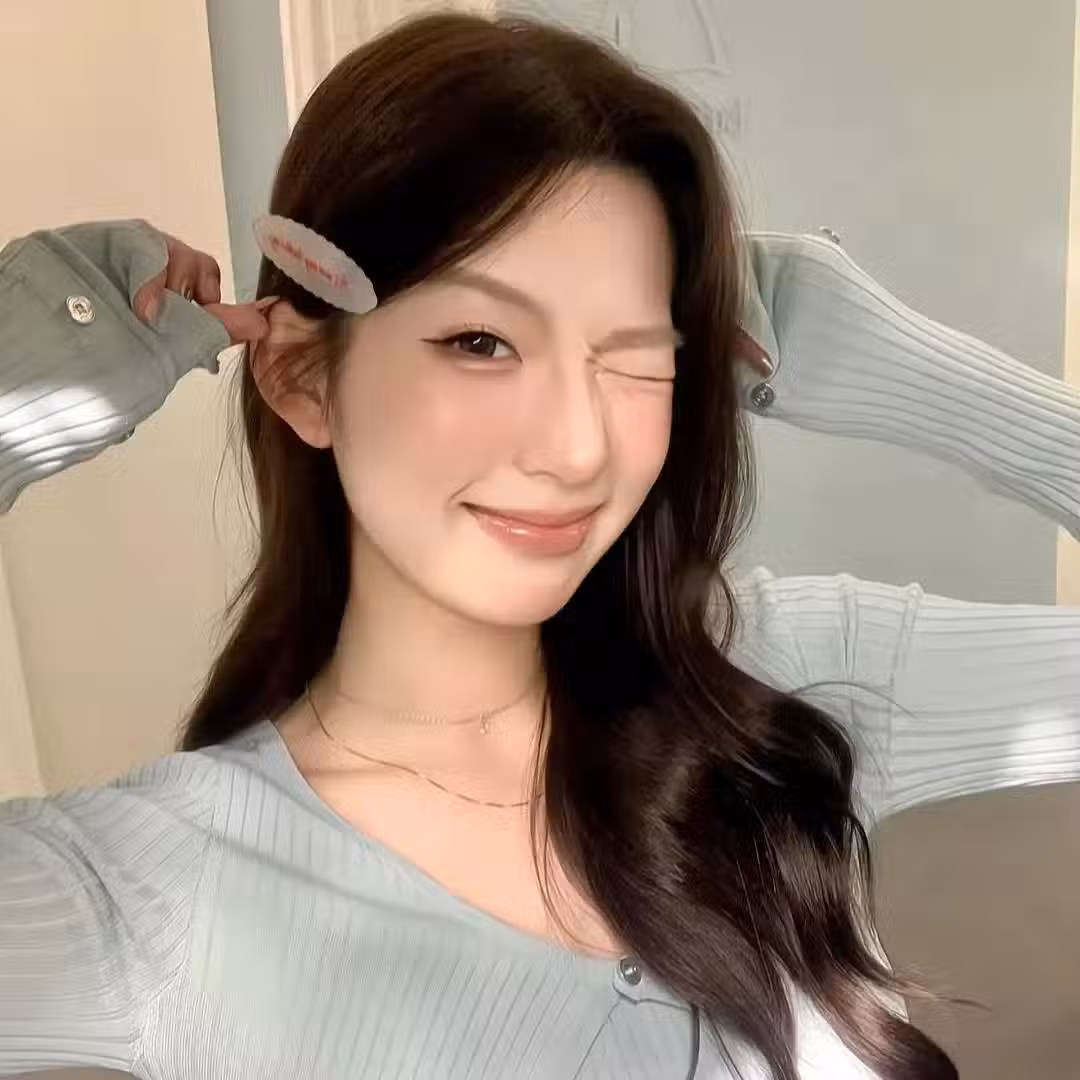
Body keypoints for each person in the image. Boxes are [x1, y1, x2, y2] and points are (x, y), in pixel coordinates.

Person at [0, 12, 1077, 1080]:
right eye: (480, 342)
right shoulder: (138, 891)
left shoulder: (780, 682)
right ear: (300, 375)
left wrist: (897, 367)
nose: (576, 448)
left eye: (634, 357)